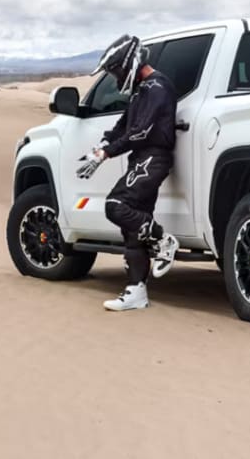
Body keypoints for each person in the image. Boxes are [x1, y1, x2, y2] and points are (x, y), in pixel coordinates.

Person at [76, 33, 180, 311]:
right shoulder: (141, 89)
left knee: (115, 205)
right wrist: (103, 144)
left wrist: (107, 153)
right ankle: (136, 292)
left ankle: (161, 238)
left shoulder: (157, 87)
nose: (115, 76)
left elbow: (141, 132)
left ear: (129, 64)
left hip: (153, 158)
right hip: (141, 158)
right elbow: (124, 125)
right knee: (132, 229)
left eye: (116, 70)